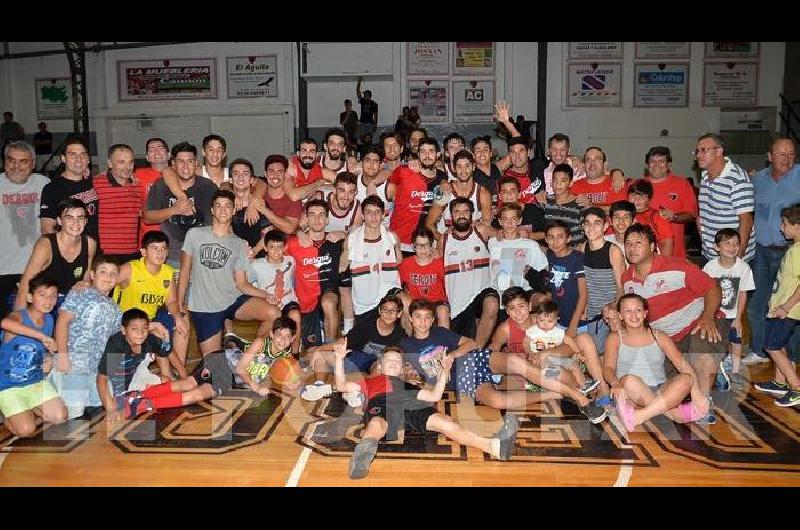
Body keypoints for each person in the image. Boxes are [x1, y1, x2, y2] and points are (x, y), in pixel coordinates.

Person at [335, 344, 518, 479]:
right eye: (389, 361)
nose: (393, 364)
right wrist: (338, 359)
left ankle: (494, 447)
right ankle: (363, 455)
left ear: (401, 368)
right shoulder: (369, 382)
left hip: (411, 403)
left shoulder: (409, 385)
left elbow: (434, 396)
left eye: (397, 362)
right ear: (380, 366)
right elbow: (342, 386)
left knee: (446, 421)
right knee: (377, 423)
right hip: (383, 401)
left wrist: (443, 372)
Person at [618, 223, 724, 425]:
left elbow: (712, 287)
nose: (632, 248)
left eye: (638, 243)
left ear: (651, 246)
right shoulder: (627, 279)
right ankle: (670, 413)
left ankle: (702, 403)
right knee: (657, 383)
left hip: (696, 323)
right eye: (628, 244)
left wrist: (708, 316)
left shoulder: (676, 266)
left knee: (702, 350)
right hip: (665, 339)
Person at [118, 318, 300, 419]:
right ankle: (141, 402)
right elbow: (241, 369)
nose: (282, 340)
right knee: (191, 390)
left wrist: (292, 383)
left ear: (293, 340)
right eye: (278, 335)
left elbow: (291, 377)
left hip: (229, 377)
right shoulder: (261, 344)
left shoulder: (286, 359)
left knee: (189, 385)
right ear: (271, 334)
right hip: (223, 363)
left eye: (287, 337)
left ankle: (137, 397)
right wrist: (255, 386)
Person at [178, 189, 280, 356]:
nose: (223, 210)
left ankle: (254, 356)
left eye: (227, 206)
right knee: (217, 369)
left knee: (273, 313)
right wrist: (180, 304)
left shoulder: (239, 244)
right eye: (218, 206)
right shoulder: (194, 235)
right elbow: (184, 272)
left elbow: (242, 284)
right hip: (205, 307)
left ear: (233, 210)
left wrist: (265, 294)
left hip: (232, 300)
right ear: (212, 210)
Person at [603, 294, 709, 434]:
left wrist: (696, 393)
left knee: (686, 379)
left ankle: (641, 416)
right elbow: (607, 369)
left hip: (661, 391)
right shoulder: (615, 338)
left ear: (645, 313)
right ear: (621, 315)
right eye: (628, 311)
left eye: (638, 310)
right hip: (630, 393)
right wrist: (615, 383)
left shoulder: (660, 336)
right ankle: (675, 414)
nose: (634, 315)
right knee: (629, 380)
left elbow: (683, 366)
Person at [747, 138, 800, 364]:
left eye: (791, 154)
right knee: (757, 303)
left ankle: (792, 356)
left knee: (792, 304)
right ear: (770, 156)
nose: (786, 159)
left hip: (791, 252)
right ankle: (759, 350)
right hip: (761, 250)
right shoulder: (757, 180)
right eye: (781, 154)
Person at [52, 255, 125, 419]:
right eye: (103, 272)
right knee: (73, 412)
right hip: (74, 363)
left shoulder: (115, 308)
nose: (109, 277)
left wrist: (153, 325)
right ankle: (50, 382)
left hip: (95, 369)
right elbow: (62, 322)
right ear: (92, 275)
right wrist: (63, 356)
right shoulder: (81, 293)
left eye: (113, 273)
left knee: (101, 405)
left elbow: (118, 335)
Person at [301, 293, 407, 403]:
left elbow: (400, 360)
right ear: (379, 311)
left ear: (399, 314)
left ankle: (357, 391)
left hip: (374, 366)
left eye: (393, 311)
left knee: (382, 367)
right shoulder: (367, 324)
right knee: (321, 355)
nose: (388, 314)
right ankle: (320, 386)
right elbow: (344, 341)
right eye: (385, 310)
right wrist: (319, 349)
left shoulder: (400, 335)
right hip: (355, 358)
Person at [113, 230, 189, 376]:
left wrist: (177, 317)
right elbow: (105, 283)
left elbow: (172, 301)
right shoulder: (130, 269)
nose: (160, 253)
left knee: (182, 316)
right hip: (125, 322)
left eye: (163, 249)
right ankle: (169, 376)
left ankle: (179, 373)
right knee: (157, 333)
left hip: (150, 319)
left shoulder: (167, 271)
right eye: (155, 248)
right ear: (143, 252)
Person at [0, 273, 67, 437]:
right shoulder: (19, 316)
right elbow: (5, 323)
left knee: (60, 417)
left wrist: (48, 360)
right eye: (42, 295)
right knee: (26, 430)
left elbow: (41, 352)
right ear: (30, 297)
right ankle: (8, 416)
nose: (48, 300)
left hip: (35, 382)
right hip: (8, 386)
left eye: (52, 296)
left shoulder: (50, 319)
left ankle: (24, 410)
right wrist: (43, 336)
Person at [16, 198, 96, 314]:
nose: (76, 223)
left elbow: (87, 274)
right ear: (59, 221)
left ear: (85, 221)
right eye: (69, 218)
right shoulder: (45, 245)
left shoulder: (90, 243)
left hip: (69, 303)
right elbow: (25, 284)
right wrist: (20, 319)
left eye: (80, 218)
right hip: (42, 302)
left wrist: (84, 282)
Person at [143, 142, 216, 268]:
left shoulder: (208, 187)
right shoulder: (161, 186)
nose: (186, 167)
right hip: (171, 257)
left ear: (196, 164)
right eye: (181, 161)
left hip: (202, 257)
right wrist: (174, 210)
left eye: (190, 161)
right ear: (173, 165)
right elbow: (148, 217)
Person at [755, 204, 800, 406]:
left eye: (785, 223)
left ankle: (796, 387)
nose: (781, 228)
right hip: (781, 308)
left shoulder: (798, 252)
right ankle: (780, 383)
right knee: (778, 344)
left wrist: (786, 307)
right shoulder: (794, 249)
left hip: (789, 310)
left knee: (772, 347)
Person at [96, 308, 173, 425]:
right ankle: (132, 396)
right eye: (135, 329)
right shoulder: (116, 346)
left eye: (144, 329)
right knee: (119, 409)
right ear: (123, 330)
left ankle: (135, 395)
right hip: (113, 385)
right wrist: (110, 409)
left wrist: (180, 374)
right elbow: (102, 380)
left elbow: (165, 354)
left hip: (132, 378)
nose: (140, 333)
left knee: (167, 381)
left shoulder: (148, 339)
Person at [441, 198, 499, 348]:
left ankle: (478, 351)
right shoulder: (444, 239)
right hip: (458, 303)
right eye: (457, 212)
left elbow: (506, 237)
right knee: (460, 351)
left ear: (472, 214)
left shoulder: (481, 231)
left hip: (481, 294)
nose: (461, 215)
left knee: (492, 303)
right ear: (451, 215)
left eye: (466, 211)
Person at [0, 140, 49, 318]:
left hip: (35, 269)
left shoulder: (44, 183)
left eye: (23, 161)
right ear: (4, 161)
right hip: (2, 269)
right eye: (11, 160)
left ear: (33, 164)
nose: (16, 166)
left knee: (32, 324)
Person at [286, 199, 344, 347]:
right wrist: (298, 231)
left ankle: (329, 348)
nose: (317, 219)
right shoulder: (294, 243)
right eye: (312, 215)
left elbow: (357, 240)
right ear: (306, 218)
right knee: (309, 346)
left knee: (328, 303)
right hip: (304, 300)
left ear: (327, 219)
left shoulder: (335, 241)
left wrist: (344, 234)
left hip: (327, 291)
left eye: (321, 215)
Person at [702, 228, 754, 387]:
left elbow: (743, 294)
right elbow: (703, 292)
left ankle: (736, 371)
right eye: (727, 243)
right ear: (717, 247)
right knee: (717, 342)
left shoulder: (743, 267)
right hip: (715, 315)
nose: (732, 247)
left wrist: (738, 319)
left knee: (736, 341)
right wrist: (707, 315)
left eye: (736, 244)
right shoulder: (710, 267)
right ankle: (718, 369)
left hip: (732, 314)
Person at [342, 195, 402, 326]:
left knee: (406, 302)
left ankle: (409, 344)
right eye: (369, 212)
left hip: (388, 291)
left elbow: (399, 263)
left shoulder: (392, 237)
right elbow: (342, 271)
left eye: (377, 212)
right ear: (362, 216)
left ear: (383, 215)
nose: (373, 217)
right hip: (365, 300)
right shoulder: (352, 240)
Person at [696, 133, 755, 262]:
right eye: (697, 151)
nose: (698, 155)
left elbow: (746, 221)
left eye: (704, 150)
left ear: (719, 151)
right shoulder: (705, 175)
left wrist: (736, 261)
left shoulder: (737, 179)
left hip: (731, 258)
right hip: (710, 255)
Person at [388, 137, 447, 255]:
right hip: (399, 241)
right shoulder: (403, 171)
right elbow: (386, 176)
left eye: (431, 151)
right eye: (423, 151)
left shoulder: (442, 178)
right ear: (418, 154)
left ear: (438, 154)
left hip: (427, 243)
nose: (427, 155)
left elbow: (441, 205)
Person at [249, 229, 302, 355]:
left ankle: (295, 355)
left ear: (285, 247)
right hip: (269, 305)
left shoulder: (290, 261)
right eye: (271, 247)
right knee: (271, 321)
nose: (276, 251)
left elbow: (294, 278)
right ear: (265, 248)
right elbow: (247, 286)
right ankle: (261, 354)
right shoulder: (256, 265)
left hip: (288, 302)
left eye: (279, 247)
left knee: (295, 315)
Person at [580, 207, 625, 354]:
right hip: (589, 313)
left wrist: (613, 309)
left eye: (597, 223)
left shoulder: (613, 251)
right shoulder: (583, 248)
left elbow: (621, 287)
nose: (591, 227)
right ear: (583, 226)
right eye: (587, 223)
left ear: (606, 227)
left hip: (607, 315)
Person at [524, 300, 595, 393]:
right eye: (541, 320)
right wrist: (530, 353)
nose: (545, 324)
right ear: (536, 318)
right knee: (554, 371)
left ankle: (583, 386)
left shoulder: (558, 332)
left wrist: (578, 353)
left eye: (549, 321)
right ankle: (547, 388)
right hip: (539, 359)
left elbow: (570, 341)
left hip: (555, 358)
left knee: (574, 365)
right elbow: (526, 342)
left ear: (557, 320)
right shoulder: (533, 331)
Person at [640, 146, 697, 259]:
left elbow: (692, 215)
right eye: (652, 161)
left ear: (669, 165)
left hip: (675, 253)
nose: (657, 165)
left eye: (661, 161)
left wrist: (673, 217)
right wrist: (616, 173)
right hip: (642, 254)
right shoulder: (636, 185)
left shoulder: (682, 184)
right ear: (647, 165)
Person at [39, 137, 99, 241]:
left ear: (88, 159)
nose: (78, 159)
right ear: (63, 158)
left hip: (95, 250)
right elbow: (47, 228)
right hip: (70, 252)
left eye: (83, 155)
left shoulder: (92, 182)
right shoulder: (52, 189)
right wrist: (67, 251)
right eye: (72, 155)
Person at [488, 203, 548, 306]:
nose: (509, 222)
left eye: (513, 218)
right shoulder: (493, 242)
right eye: (505, 219)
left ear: (519, 221)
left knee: (542, 300)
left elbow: (545, 267)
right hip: (497, 292)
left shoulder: (530, 245)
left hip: (522, 291)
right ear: (500, 221)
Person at [93, 144, 144, 263]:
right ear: (110, 164)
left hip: (132, 255)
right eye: (121, 162)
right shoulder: (95, 184)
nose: (127, 167)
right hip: (104, 256)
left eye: (130, 162)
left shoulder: (138, 185)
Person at [426, 150, 492, 237]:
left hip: (471, 244)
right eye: (459, 166)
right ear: (454, 168)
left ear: (473, 167)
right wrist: (442, 240)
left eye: (467, 166)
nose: (463, 171)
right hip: (448, 245)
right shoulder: (445, 191)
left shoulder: (482, 193)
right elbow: (429, 224)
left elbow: (486, 225)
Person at [398, 227, 449, 327]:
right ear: (413, 246)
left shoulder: (439, 264)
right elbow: (397, 284)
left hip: (436, 301)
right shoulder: (406, 264)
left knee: (443, 310)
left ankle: (444, 342)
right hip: (416, 302)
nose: (423, 249)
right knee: (407, 308)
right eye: (419, 245)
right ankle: (409, 340)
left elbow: (448, 286)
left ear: (431, 246)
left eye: (426, 245)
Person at [545, 220, 586, 338]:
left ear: (568, 239)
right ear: (546, 239)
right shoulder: (550, 255)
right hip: (558, 320)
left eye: (560, 237)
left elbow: (583, 294)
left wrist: (573, 324)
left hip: (578, 322)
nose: (555, 242)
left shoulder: (578, 259)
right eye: (551, 237)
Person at [230, 158, 270, 258]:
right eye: (236, 174)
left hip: (258, 259)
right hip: (231, 259)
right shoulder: (225, 204)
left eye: (245, 173)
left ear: (252, 180)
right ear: (230, 180)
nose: (240, 177)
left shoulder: (260, 203)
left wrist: (254, 251)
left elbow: (268, 232)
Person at [570, 147, 628, 211]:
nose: (592, 163)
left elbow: (622, 210)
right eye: (588, 159)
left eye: (597, 159)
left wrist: (592, 206)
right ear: (584, 165)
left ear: (605, 164)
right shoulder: (574, 186)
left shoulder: (617, 182)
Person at [627, 179, 674, 257]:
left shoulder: (657, 216)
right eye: (633, 195)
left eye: (642, 196)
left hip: (651, 261)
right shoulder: (624, 213)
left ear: (649, 199)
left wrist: (664, 265)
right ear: (628, 196)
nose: (637, 199)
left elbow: (667, 242)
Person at [136, 138, 170, 240]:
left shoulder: (180, 173)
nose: (156, 152)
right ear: (147, 157)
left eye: (160, 148)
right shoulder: (137, 175)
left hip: (175, 234)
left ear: (168, 154)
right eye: (151, 149)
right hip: (149, 234)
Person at [542, 163, 584, 247]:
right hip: (551, 252)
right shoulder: (545, 202)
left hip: (574, 253)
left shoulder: (579, 204)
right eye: (555, 180)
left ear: (571, 183)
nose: (558, 184)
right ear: (551, 182)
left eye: (563, 181)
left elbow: (586, 232)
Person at [491, 176, 546, 240]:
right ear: (500, 196)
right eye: (504, 191)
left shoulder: (534, 210)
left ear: (519, 194)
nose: (509, 194)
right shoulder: (496, 215)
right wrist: (496, 233)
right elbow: (489, 231)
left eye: (513, 191)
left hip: (533, 247)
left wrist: (529, 236)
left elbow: (547, 233)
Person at [355, 145, 394, 225]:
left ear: (380, 165)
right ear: (361, 163)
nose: (371, 165)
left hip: (383, 234)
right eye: (368, 160)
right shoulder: (353, 183)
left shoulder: (389, 187)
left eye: (375, 161)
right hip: (359, 233)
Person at [502, 137, 546, 204]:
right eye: (513, 152)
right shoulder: (504, 177)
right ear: (509, 155)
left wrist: (545, 192)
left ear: (528, 152)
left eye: (521, 151)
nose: (517, 156)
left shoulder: (538, 167)